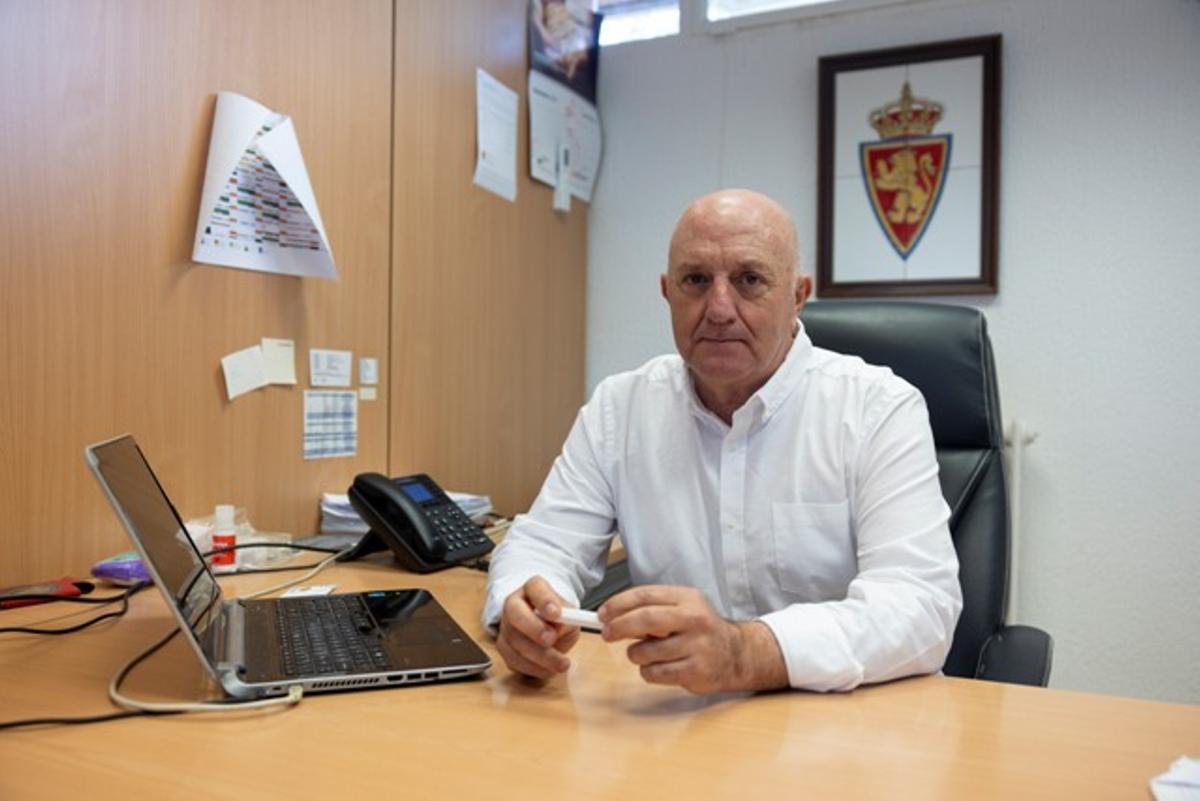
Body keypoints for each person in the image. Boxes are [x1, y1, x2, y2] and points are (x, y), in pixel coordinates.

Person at [483, 189, 962, 694]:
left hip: (847, 728)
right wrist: (528, 607)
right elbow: (544, 542)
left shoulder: (878, 409)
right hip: (680, 723)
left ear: (798, 295)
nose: (718, 309)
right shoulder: (619, 409)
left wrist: (746, 653)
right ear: (667, 292)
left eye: (749, 280)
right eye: (695, 280)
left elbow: (919, 606)